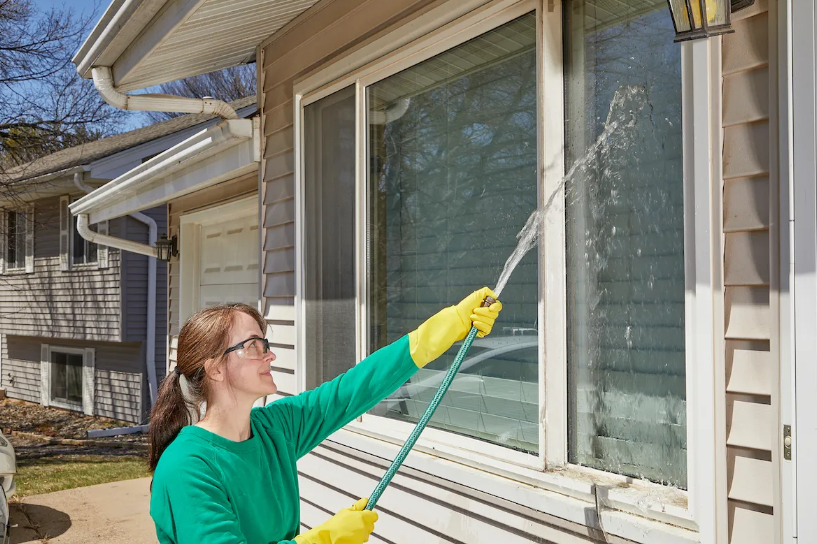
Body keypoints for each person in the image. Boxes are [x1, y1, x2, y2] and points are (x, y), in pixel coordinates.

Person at [148, 288, 502, 544]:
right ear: (215, 370)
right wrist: (326, 540)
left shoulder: (276, 428)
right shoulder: (188, 467)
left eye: (265, 345)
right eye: (253, 347)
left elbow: (354, 389)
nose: (269, 356)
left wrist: (451, 324)